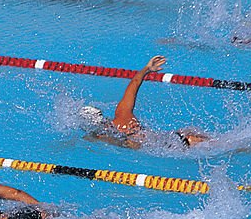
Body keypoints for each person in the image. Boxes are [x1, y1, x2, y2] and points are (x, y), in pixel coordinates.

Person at [82, 55, 210, 150]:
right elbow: (134, 84)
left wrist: (92, 138)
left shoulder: (113, 135)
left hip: (176, 146)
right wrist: (147, 68)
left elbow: (112, 140)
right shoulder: (122, 115)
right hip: (177, 136)